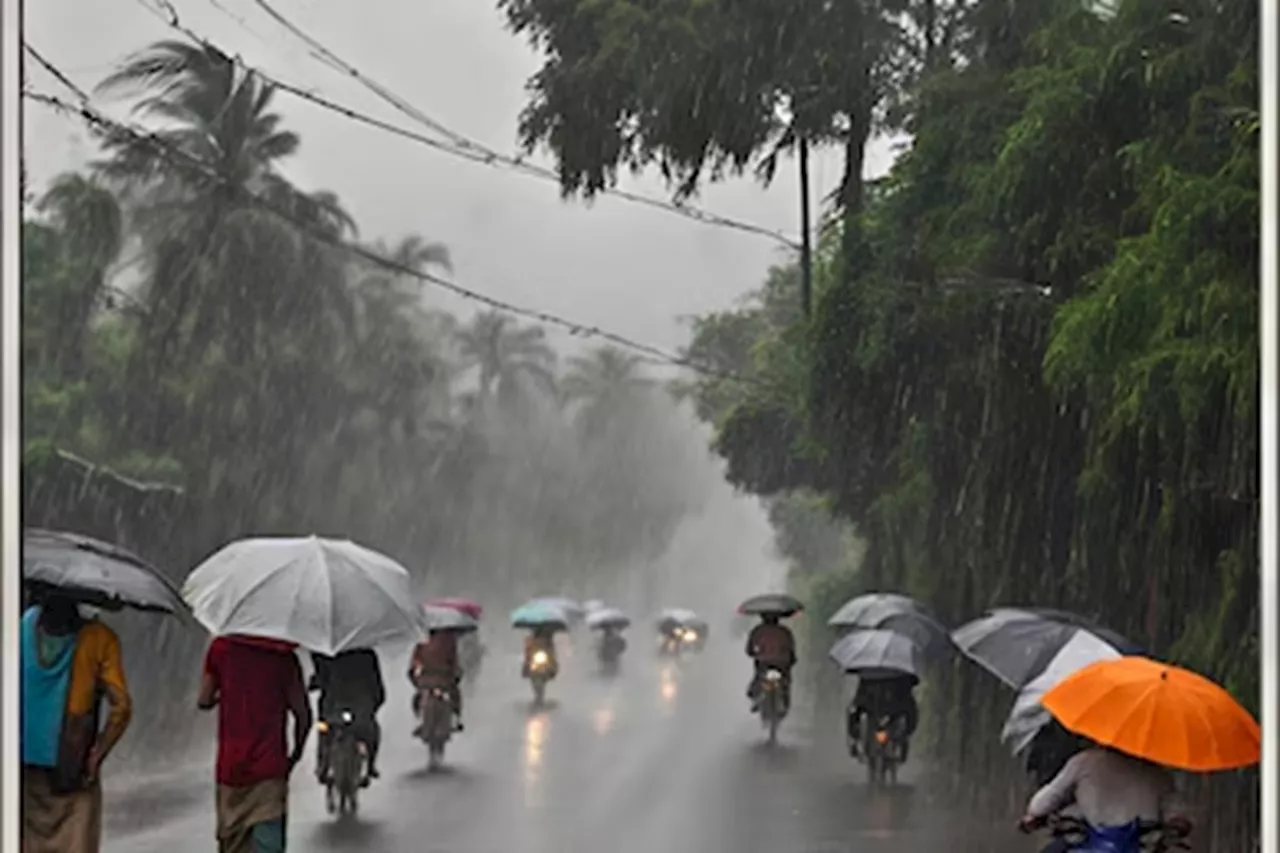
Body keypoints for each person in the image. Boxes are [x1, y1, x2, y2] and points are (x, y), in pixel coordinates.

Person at [21, 594, 132, 853]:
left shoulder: (20, 627)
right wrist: (98, 752)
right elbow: (122, 707)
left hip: (22, 764)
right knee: (77, 840)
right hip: (73, 764)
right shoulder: (100, 638)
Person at [199, 634, 311, 853]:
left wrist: (226, 694)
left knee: (232, 843)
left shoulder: (220, 648)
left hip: (231, 769)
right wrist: (295, 755)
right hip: (270, 768)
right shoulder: (284, 657)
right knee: (269, 845)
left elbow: (203, 700)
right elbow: (303, 715)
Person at [1019, 745, 1191, 849]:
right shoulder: (1157, 774)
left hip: (1087, 842)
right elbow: (1177, 815)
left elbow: (1041, 805)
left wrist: (1034, 817)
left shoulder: (1084, 762)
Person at [310, 648, 386, 784]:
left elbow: (320, 678)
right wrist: (373, 705)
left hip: (333, 707)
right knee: (371, 732)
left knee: (323, 730)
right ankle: (370, 766)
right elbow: (377, 687)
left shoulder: (324, 652)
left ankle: (322, 764)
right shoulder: (367, 654)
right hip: (359, 709)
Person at [846, 675, 919, 761]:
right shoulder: (870, 676)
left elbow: (909, 709)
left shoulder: (870, 673)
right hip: (877, 713)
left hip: (889, 713)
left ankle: (901, 744)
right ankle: (856, 743)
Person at [410, 629, 464, 733]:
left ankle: (418, 720)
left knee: (417, 697)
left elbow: (415, 661)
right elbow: (454, 663)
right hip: (445, 679)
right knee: (456, 695)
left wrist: (415, 676)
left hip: (425, 680)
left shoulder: (421, 639)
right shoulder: (449, 639)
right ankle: (457, 719)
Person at [744, 613, 796, 710]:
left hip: (763, 664)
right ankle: (784, 703)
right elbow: (791, 650)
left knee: (757, 681)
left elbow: (749, 650)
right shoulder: (785, 631)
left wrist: (756, 654)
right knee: (785, 683)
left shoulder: (757, 631)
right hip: (782, 665)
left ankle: (756, 699)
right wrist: (790, 660)